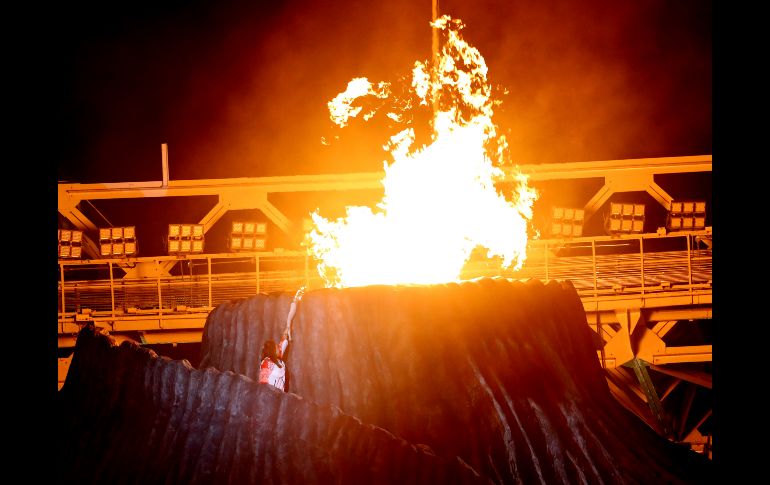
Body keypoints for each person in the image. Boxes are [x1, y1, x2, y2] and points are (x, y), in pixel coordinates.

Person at [258, 286, 305, 391]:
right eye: (275, 347)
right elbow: (263, 382)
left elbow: (282, 344)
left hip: (279, 397)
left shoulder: (277, 359)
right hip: (269, 397)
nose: (277, 348)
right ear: (270, 350)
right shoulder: (266, 363)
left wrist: (287, 329)